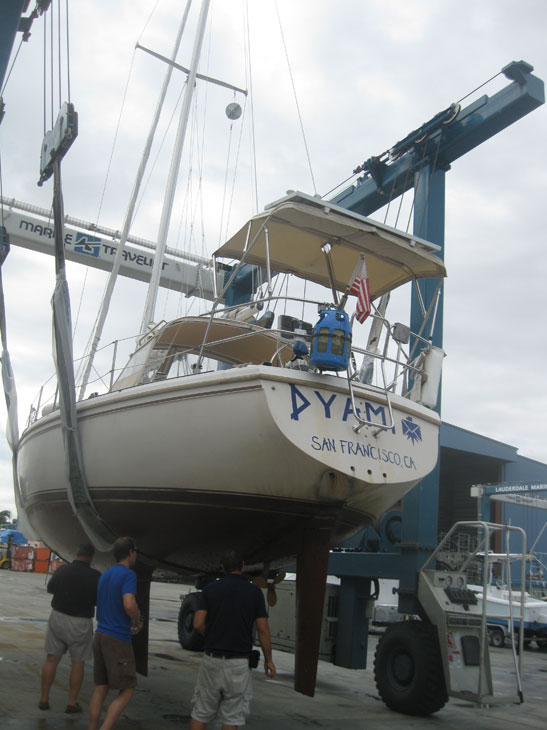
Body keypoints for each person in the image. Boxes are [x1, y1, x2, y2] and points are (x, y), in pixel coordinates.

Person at [190, 551, 276, 730]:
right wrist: (268, 660)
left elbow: (197, 623)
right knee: (232, 717)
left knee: (201, 712)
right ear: (243, 565)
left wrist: (211, 635)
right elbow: (263, 629)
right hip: (239, 663)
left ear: (222, 567)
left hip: (212, 660)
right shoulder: (254, 592)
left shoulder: (210, 589)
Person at [88, 536, 143, 730]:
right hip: (117, 638)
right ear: (130, 552)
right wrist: (138, 620)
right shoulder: (128, 575)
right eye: (135, 551)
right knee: (128, 688)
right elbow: (128, 604)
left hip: (100, 635)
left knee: (101, 688)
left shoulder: (105, 574)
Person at [39, 542, 101, 713]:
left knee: (51, 659)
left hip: (58, 617)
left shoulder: (62, 570)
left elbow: (50, 589)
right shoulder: (96, 576)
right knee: (77, 663)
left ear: (77, 553)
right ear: (91, 557)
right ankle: (71, 703)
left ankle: (44, 699)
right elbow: (98, 600)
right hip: (80, 622)